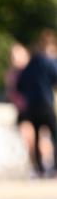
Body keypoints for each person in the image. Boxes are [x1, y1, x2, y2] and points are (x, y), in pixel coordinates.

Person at [16, 29, 57, 176]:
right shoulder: (49, 61)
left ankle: (40, 168)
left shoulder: (29, 64)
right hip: (46, 102)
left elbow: (19, 85)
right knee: (54, 133)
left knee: (38, 135)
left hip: (31, 105)